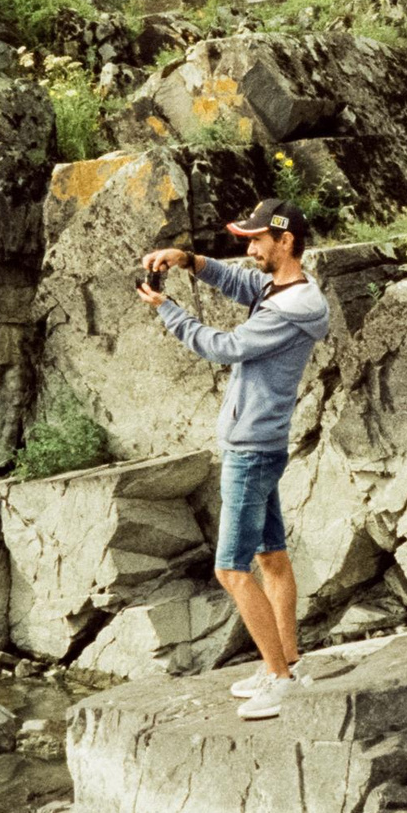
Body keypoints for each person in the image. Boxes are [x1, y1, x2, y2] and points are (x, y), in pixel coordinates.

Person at [137, 198, 332, 721]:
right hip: (263, 443)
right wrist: (188, 260)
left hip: (250, 451)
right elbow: (242, 284)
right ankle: (288, 662)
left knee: (230, 570)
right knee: (272, 557)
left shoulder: (290, 311)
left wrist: (167, 310)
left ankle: (279, 680)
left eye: (256, 241)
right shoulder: (284, 288)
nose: (249, 250)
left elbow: (224, 347)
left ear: (285, 241)